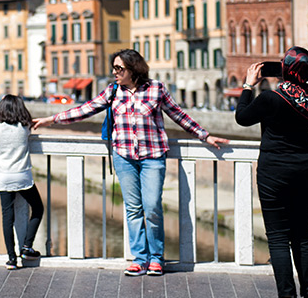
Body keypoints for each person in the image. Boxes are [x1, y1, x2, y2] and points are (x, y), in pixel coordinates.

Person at [33, 49, 229, 276]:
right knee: (133, 209)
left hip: (153, 156)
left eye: (119, 69)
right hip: (124, 156)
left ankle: (156, 258)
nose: (114, 72)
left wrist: (205, 135)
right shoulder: (113, 91)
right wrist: (51, 119)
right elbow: (85, 109)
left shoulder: (156, 89)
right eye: (114, 68)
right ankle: (140, 258)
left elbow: (178, 115)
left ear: (133, 68)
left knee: (153, 207)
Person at [235, 47, 308, 298]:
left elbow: (242, 117)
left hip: (275, 171)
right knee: (303, 236)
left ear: (284, 69)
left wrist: (249, 85)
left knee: (277, 237)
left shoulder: (271, 99)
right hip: (305, 168)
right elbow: (301, 95)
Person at [0, 94, 44, 270]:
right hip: (22, 176)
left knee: (7, 216)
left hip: (2, 176)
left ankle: (11, 259)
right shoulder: (24, 127)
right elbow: (28, 125)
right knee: (38, 208)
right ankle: (27, 247)